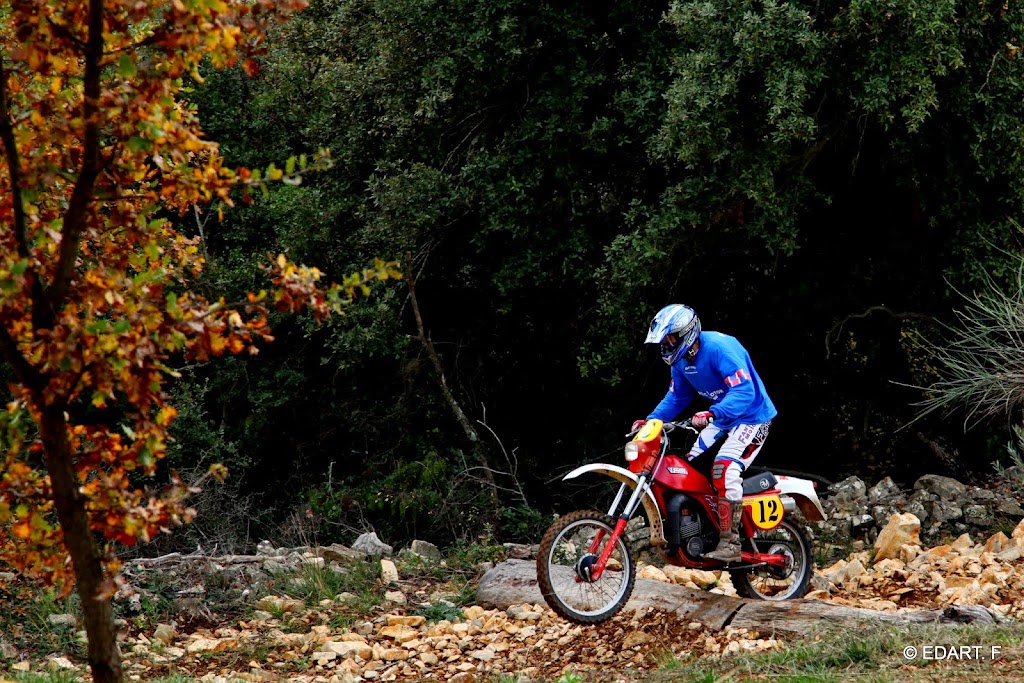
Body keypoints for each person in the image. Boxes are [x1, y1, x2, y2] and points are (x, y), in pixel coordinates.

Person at [633, 304, 776, 562]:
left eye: (669, 339)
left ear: (686, 332)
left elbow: (745, 392)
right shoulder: (680, 361)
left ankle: (730, 542)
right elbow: (677, 396)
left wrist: (712, 414)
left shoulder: (721, 348)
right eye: (663, 342)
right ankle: (704, 531)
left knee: (725, 468)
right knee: (692, 469)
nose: (666, 346)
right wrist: (651, 421)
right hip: (723, 418)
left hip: (753, 417)